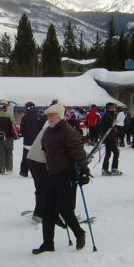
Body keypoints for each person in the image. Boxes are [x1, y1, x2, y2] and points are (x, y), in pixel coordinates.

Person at [32, 104, 90, 254]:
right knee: (48, 211)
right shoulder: (48, 132)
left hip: (66, 175)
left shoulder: (68, 132)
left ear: (60, 115)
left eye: (53, 115)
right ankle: (48, 244)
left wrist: (84, 170)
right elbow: (45, 150)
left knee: (65, 210)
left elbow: (79, 153)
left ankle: (79, 233)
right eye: (48, 115)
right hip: (52, 174)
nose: (50, 118)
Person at [18, 102, 45, 177]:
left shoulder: (25, 117)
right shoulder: (41, 117)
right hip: (37, 142)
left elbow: (22, 130)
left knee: (25, 157)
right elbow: (43, 130)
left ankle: (24, 171)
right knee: (37, 157)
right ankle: (37, 172)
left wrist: (20, 134)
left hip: (27, 141)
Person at [99, 102, 121, 176]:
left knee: (108, 153)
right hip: (109, 137)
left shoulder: (108, 115)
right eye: (112, 107)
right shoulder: (108, 115)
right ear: (109, 107)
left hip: (108, 137)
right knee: (116, 152)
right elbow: (110, 127)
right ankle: (114, 169)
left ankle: (105, 169)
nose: (114, 109)